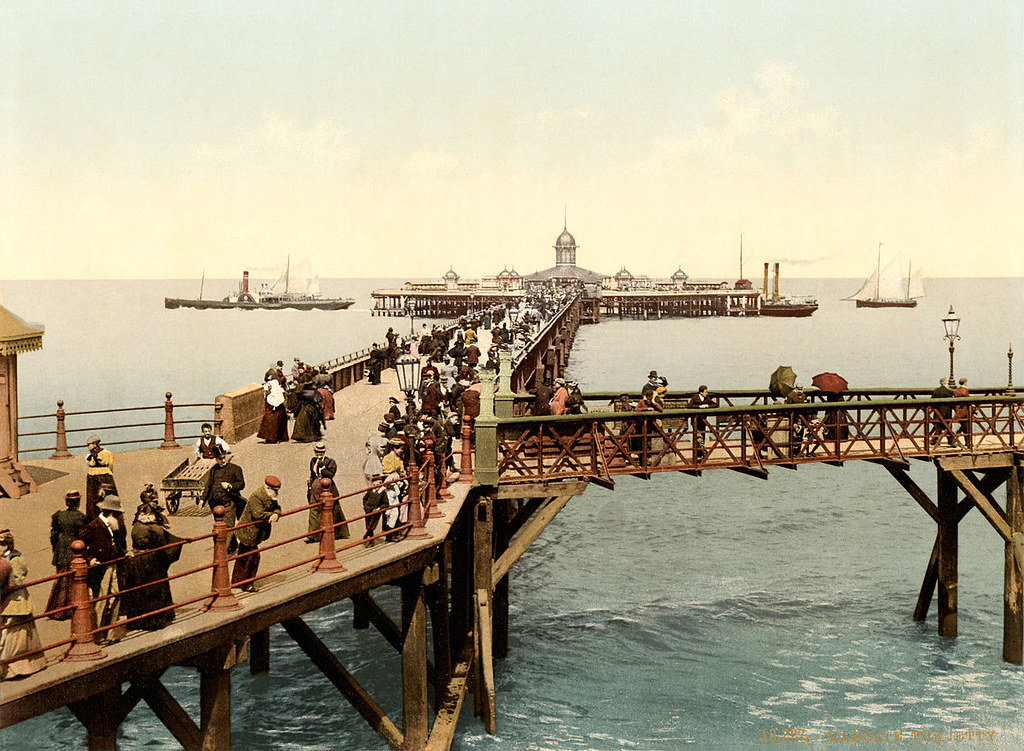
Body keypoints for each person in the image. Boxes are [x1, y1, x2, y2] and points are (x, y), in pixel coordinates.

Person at [123, 503, 183, 630]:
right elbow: (163, 541)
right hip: (149, 560)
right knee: (154, 589)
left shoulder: (136, 525)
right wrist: (181, 541)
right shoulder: (154, 527)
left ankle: (137, 621)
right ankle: (154, 621)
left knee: (139, 591)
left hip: (137, 560)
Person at [78, 495, 128, 644]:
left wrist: (124, 553)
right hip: (102, 568)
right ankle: (98, 634)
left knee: (115, 596)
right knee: (102, 599)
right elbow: (79, 543)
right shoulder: (94, 526)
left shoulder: (112, 525)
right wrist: (90, 559)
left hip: (112, 564)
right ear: (111, 513)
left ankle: (111, 633)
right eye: (117, 513)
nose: (118, 516)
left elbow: (115, 543)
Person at [0, 530, 48, 679]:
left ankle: (14, 668)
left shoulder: (15, 558)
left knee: (13, 635)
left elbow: (17, 579)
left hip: (15, 599)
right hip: (6, 599)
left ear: (7, 545)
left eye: (2, 544)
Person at [232, 476, 282, 592]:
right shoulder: (257, 496)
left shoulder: (270, 496)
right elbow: (257, 514)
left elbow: (277, 507)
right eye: (275, 490)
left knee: (243, 556)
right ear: (268, 488)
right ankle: (247, 584)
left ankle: (237, 582)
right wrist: (272, 515)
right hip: (248, 532)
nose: (276, 493)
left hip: (254, 532)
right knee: (253, 557)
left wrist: (276, 514)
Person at [46, 490, 88, 620]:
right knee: (72, 578)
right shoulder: (80, 517)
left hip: (61, 547)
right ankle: (68, 608)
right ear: (78, 502)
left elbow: (54, 534)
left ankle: (57, 608)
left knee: (61, 576)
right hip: (73, 545)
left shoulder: (59, 516)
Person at [202, 447, 246, 549]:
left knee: (227, 526)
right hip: (215, 505)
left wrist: (230, 486)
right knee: (221, 526)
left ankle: (225, 550)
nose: (223, 460)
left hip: (229, 503)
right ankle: (233, 546)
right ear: (216, 459)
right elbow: (208, 485)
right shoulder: (214, 469)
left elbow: (241, 484)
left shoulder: (235, 468)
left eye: (223, 457)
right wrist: (202, 499)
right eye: (219, 459)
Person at [305, 442, 350, 543]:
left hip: (328, 487)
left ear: (324, 452)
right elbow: (312, 474)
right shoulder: (313, 461)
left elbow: (330, 474)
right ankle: (314, 535)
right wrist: (310, 487)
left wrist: (323, 468)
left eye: (321, 452)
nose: (319, 454)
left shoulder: (330, 462)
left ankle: (338, 533)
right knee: (314, 510)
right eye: (317, 452)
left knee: (334, 510)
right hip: (315, 487)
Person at [85, 435, 117, 520]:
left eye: (89, 444)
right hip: (94, 477)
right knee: (93, 499)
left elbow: (110, 466)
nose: (88, 446)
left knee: (107, 497)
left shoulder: (106, 453)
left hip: (103, 477)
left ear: (95, 444)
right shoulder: (89, 456)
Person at [257, 374, 289, 443]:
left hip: (272, 406)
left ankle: (271, 438)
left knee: (271, 422)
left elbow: (266, 392)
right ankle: (278, 438)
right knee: (278, 423)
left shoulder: (271, 388)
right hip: (279, 407)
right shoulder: (279, 389)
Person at [687, 385, 718, 457]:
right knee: (698, 437)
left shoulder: (706, 398)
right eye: (705, 392)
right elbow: (689, 405)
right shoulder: (695, 397)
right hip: (695, 420)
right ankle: (703, 452)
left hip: (703, 420)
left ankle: (700, 454)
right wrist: (699, 407)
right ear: (701, 392)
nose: (707, 393)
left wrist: (707, 406)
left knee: (702, 436)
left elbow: (716, 404)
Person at [929, 377, 956, 447]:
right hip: (947, 412)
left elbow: (932, 401)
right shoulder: (949, 391)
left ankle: (935, 440)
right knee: (948, 427)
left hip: (938, 411)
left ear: (940, 383)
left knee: (938, 427)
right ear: (946, 382)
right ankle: (951, 441)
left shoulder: (936, 391)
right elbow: (952, 402)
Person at [953, 377, 971, 447]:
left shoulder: (956, 390)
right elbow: (968, 401)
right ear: (965, 383)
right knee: (966, 427)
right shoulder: (965, 391)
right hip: (965, 411)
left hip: (958, 411)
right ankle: (968, 443)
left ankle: (954, 440)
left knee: (961, 427)